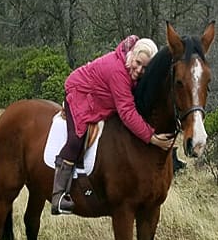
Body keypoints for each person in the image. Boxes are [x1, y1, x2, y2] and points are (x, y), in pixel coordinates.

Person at [52, 35, 175, 215]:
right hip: (81, 94)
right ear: (132, 55)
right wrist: (151, 138)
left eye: (145, 68)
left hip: (101, 100)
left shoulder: (129, 68)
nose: (139, 70)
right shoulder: (117, 71)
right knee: (76, 139)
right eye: (138, 63)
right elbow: (126, 111)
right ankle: (59, 196)